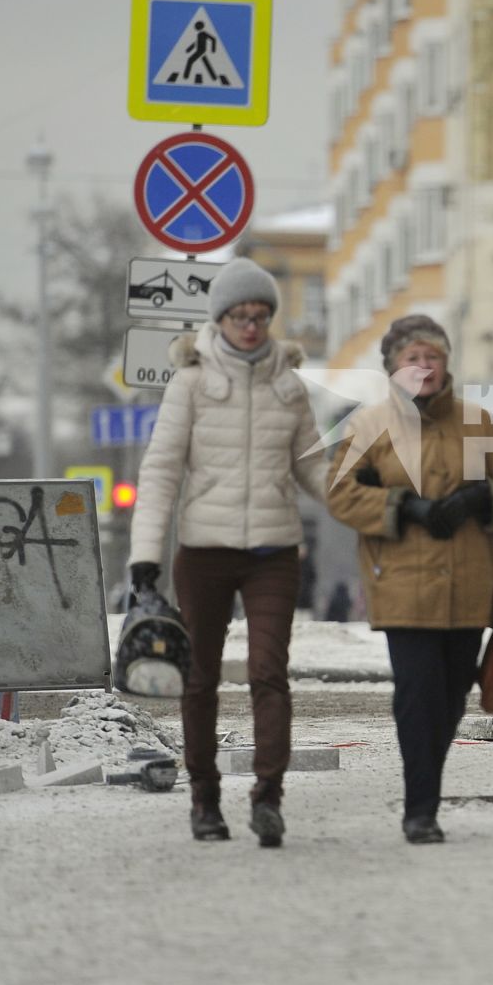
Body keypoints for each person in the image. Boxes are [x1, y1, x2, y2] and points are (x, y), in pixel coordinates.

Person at [128, 257, 329, 847]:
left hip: (274, 550)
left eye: (260, 315)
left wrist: (376, 512)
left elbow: (315, 468)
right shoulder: (190, 382)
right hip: (204, 552)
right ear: (219, 318)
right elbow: (161, 470)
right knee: (201, 679)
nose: (250, 325)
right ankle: (205, 800)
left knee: (270, 673)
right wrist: (146, 558)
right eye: (240, 315)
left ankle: (268, 798)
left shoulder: (289, 387)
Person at [326, 315, 493, 844]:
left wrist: (481, 498)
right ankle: (420, 809)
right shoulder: (369, 427)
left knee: (454, 693)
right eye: (412, 359)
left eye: (432, 358)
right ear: (392, 368)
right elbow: (341, 494)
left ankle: (425, 790)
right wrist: (402, 505)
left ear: (446, 363)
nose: (424, 367)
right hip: (402, 583)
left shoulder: (475, 423)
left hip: (468, 582)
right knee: (417, 694)